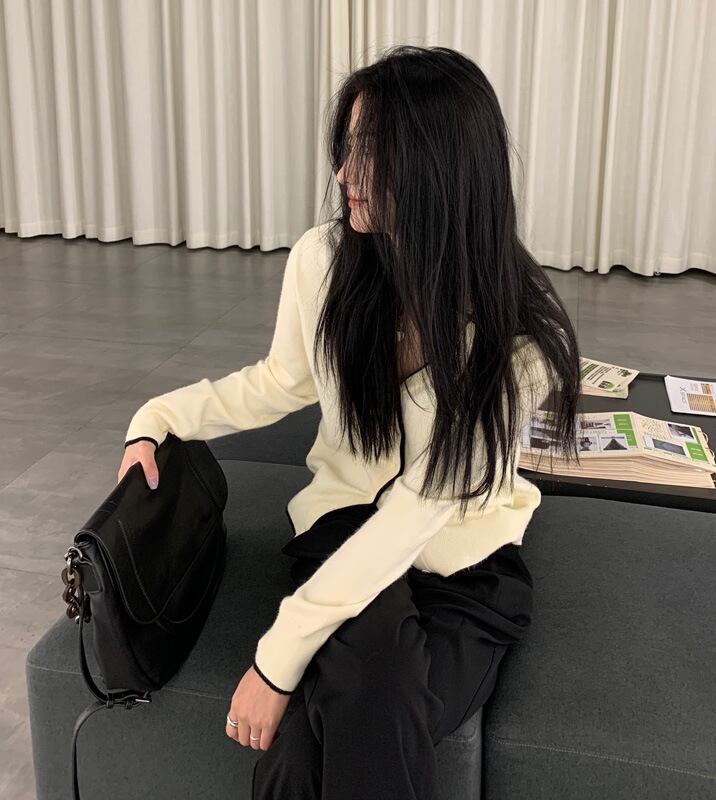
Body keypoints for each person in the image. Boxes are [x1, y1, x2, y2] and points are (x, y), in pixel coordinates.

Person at [118, 44, 581, 800]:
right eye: (347, 147)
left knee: (305, 747)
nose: (343, 174)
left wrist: (276, 661)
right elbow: (279, 381)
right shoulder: (324, 261)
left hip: (463, 570)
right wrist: (160, 415)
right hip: (341, 529)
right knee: (367, 698)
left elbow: (416, 514)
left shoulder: (519, 346)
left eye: (370, 153)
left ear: (440, 169)